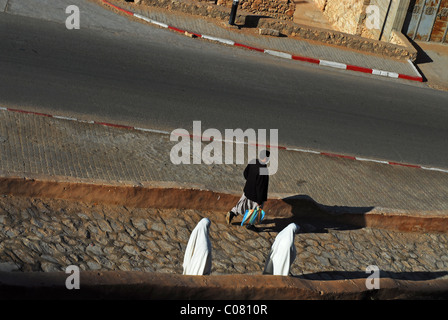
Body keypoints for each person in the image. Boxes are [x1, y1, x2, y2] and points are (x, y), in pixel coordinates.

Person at [226, 150, 270, 231]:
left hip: (247, 191)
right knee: (254, 211)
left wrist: (250, 182)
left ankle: (232, 213)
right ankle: (250, 224)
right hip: (255, 196)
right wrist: (260, 201)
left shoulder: (253, 162)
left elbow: (245, 173)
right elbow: (261, 187)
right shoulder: (263, 170)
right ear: (265, 158)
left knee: (241, 204)